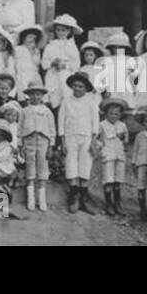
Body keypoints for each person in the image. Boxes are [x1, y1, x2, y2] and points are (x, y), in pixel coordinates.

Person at [58, 71, 99, 213]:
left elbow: (95, 123)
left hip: (86, 137)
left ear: (86, 88)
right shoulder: (66, 101)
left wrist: (93, 141)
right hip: (70, 137)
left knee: (85, 165)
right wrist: (62, 141)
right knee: (71, 164)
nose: (77, 89)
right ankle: (74, 196)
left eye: (81, 86)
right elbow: (61, 122)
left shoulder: (91, 102)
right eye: (75, 86)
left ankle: (84, 197)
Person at [19, 83, 56, 212]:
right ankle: (30, 198)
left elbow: (52, 129)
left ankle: (42, 199)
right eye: (32, 94)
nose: (35, 97)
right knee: (30, 166)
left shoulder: (46, 111)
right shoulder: (24, 111)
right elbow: (20, 128)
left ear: (42, 96)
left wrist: (51, 146)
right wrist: (20, 145)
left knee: (42, 167)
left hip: (43, 140)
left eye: (38, 94)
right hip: (29, 140)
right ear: (28, 96)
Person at [42, 15, 82, 112]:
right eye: (58, 30)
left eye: (64, 30)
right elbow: (44, 62)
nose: (60, 32)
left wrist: (65, 66)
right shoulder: (50, 45)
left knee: (66, 96)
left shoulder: (72, 46)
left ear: (69, 31)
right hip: (53, 75)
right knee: (52, 96)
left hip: (66, 75)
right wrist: (52, 63)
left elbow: (76, 64)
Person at [98, 96, 130, 216]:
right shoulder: (102, 125)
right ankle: (108, 204)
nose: (113, 116)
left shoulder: (122, 125)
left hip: (119, 155)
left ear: (120, 115)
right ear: (105, 113)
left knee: (118, 180)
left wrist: (124, 138)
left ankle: (117, 204)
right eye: (111, 113)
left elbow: (126, 140)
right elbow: (97, 140)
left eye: (116, 114)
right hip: (108, 155)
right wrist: (100, 147)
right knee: (108, 179)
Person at [13, 23, 44, 95]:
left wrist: (32, 52)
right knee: (23, 93)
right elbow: (14, 64)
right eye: (29, 37)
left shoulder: (36, 50)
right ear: (23, 37)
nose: (32, 40)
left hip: (34, 75)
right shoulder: (18, 49)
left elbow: (37, 63)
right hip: (22, 75)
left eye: (34, 38)